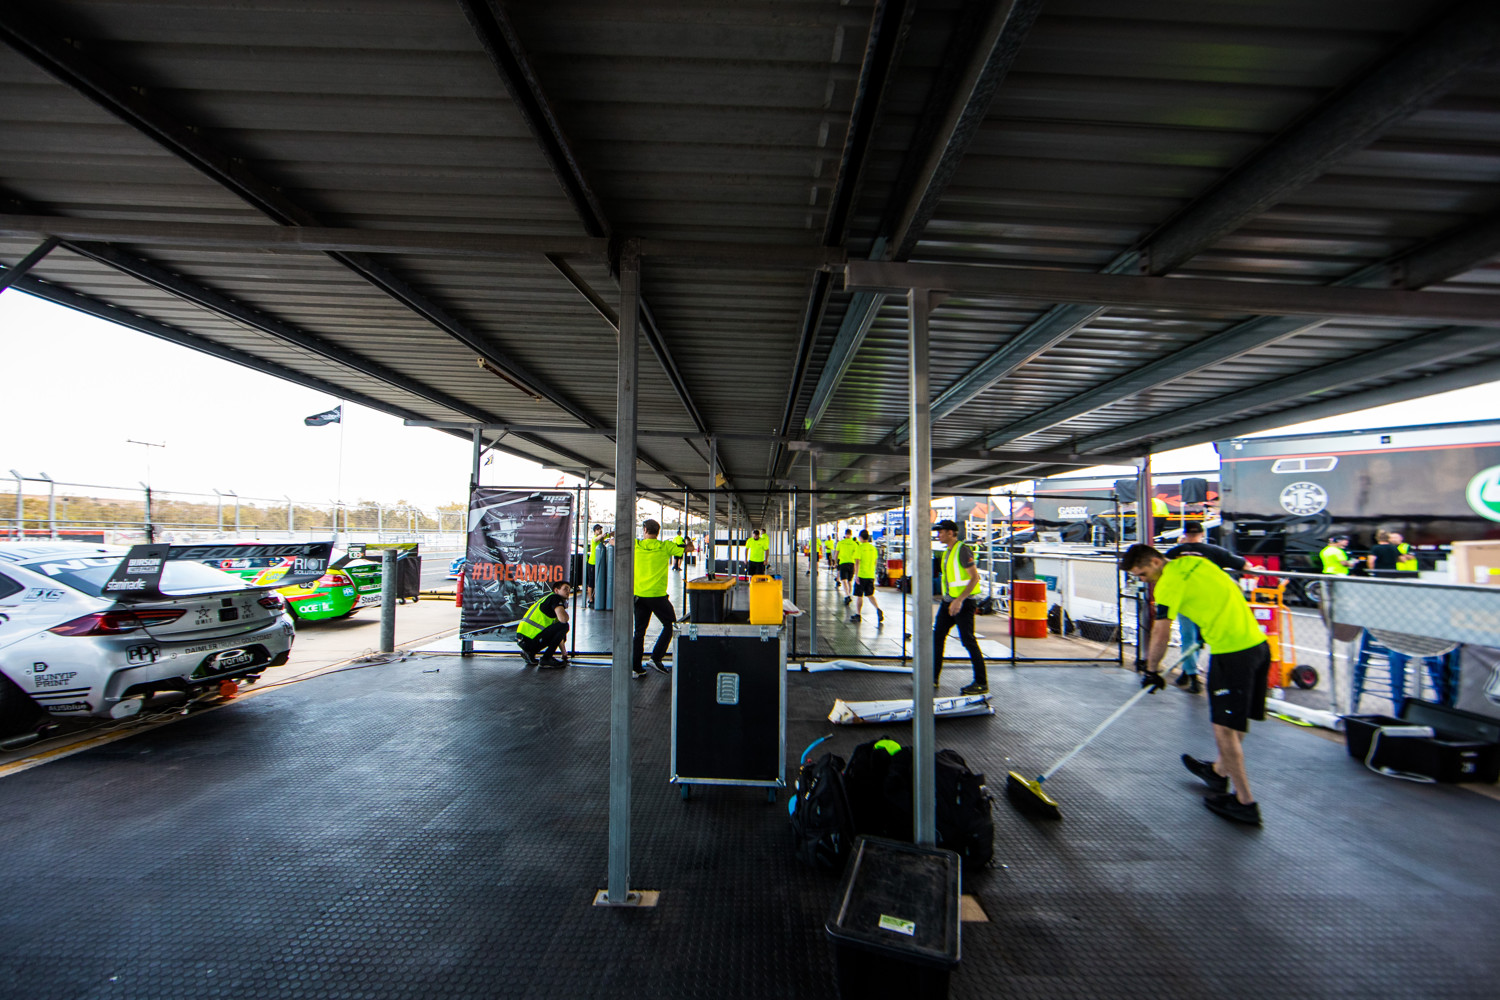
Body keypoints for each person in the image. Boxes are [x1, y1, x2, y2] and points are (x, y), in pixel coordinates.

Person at [1122, 543, 1270, 826]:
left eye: (1143, 574)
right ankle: (1218, 771)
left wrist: (1152, 670)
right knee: (1235, 724)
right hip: (1259, 648)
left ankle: (1245, 803)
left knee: (1224, 730)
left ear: (1155, 562)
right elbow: (1209, 561)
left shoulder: (1167, 585)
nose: (1144, 580)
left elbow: (1161, 631)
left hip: (1232, 654)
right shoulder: (1197, 561)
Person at [1164, 523, 1247, 694]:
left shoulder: (1175, 552)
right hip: (1209, 601)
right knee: (1204, 638)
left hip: (1185, 600)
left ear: (1185, 534)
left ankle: (1191, 675)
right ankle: (1196, 672)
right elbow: (1242, 564)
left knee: (1188, 637)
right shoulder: (1214, 551)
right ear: (1202, 534)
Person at [632, 519, 693, 679]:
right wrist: (688, 540)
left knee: (639, 632)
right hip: (657, 596)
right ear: (658, 532)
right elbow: (690, 548)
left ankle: (636, 668)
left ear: (645, 530)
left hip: (639, 595)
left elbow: (614, 541)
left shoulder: (636, 545)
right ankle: (656, 657)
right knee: (670, 625)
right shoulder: (665, 546)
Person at [933, 519, 987, 695]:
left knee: (968, 640)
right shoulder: (947, 552)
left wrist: (959, 600)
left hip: (963, 603)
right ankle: (933, 677)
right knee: (937, 636)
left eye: (941, 532)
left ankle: (981, 682)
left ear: (950, 533)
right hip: (949, 602)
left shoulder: (962, 550)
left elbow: (974, 578)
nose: (938, 535)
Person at [515, 579, 572, 668]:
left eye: (569, 589)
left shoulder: (547, 599)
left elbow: (559, 634)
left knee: (561, 627)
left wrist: (564, 654)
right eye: (565, 589)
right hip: (529, 638)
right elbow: (564, 620)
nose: (568, 591)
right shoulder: (555, 598)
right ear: (556, 590)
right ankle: (546, 658)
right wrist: (566, 615)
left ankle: (530, 653)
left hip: (524, 639)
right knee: (564, 626)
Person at [849, 529, 884, 626]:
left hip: (861, 575)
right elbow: (875, 562)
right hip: (870, 575)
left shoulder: (860, 548)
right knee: (870, 594)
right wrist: (874, 573)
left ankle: (858, 614)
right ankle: (878, 609)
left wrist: (856, 575)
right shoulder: (873, 548)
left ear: (860, 537)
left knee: (859, 596)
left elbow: (857, 562)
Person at [585, 524, 610, 609]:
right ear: (595, 531)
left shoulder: (601, 539)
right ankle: (590, 599)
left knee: (598, 581)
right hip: (592, 563)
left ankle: (596, 597)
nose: (600, 531)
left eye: (600, 529)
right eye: (598, 529)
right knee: (591, 582)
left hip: (599, 563)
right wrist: (602, 536)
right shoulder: (594, 539)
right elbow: (596, 539)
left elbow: (608, 535)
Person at [835, 528, 858, 605]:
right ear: (851, 534)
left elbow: (836, 553)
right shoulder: (854, 544)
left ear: (845, 534)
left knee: (844, 580)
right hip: (851, 563)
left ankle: (847, 595)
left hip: (843, 563)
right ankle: (849, 595)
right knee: (850, 581)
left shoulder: (840, 543)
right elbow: (857, 556)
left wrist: (835, 562)